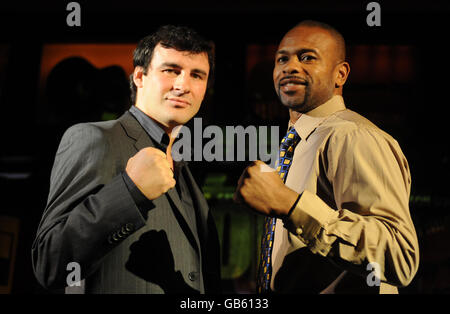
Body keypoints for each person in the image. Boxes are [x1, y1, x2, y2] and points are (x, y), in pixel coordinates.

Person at [32, 25, 221, 294]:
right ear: (140, 77)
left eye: (197, 75)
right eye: (171, 70)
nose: (183, 85)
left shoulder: (184, 166)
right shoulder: (94, 138)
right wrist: (130, 192)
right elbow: (49, 263)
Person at [235, 20, 419, 294]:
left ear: (340, 75)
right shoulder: (294, 143)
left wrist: (291, 205)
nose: (290, 66)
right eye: (282, 59)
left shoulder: (353, 136)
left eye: (307, 57)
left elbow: (399, 257)